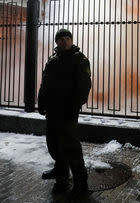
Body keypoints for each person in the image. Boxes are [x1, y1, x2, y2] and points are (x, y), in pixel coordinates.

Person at [38, 28, 92, 196]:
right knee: (53, 143)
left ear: (71, 41)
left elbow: (84, 87)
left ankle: (81, 182)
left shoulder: (79, 59)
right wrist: (41, 101)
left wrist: (74, 106)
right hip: (53, 110)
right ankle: (61, 170)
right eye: (61, 39)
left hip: (68, 110)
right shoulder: (53, 59)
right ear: (57, 42)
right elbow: (45, 82)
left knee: (71, 146)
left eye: (67, 38)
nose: (64, 41)